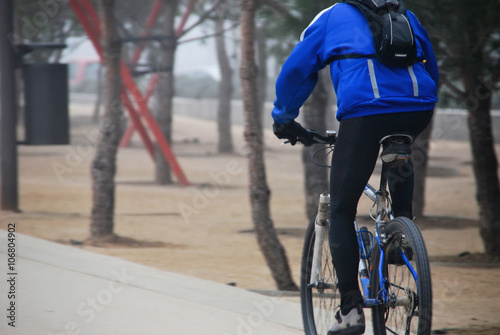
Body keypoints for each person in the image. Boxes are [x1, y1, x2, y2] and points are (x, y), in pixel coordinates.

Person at [271, 2, 438, 335]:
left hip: (365, 111)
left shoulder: (331, 16)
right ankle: (401, 230)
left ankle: (350, 310)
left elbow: (296, 70)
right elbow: (431, 64)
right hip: (419, 105)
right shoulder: (403, 12)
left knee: (341, 210)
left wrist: (283, 118)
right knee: (398, 145)